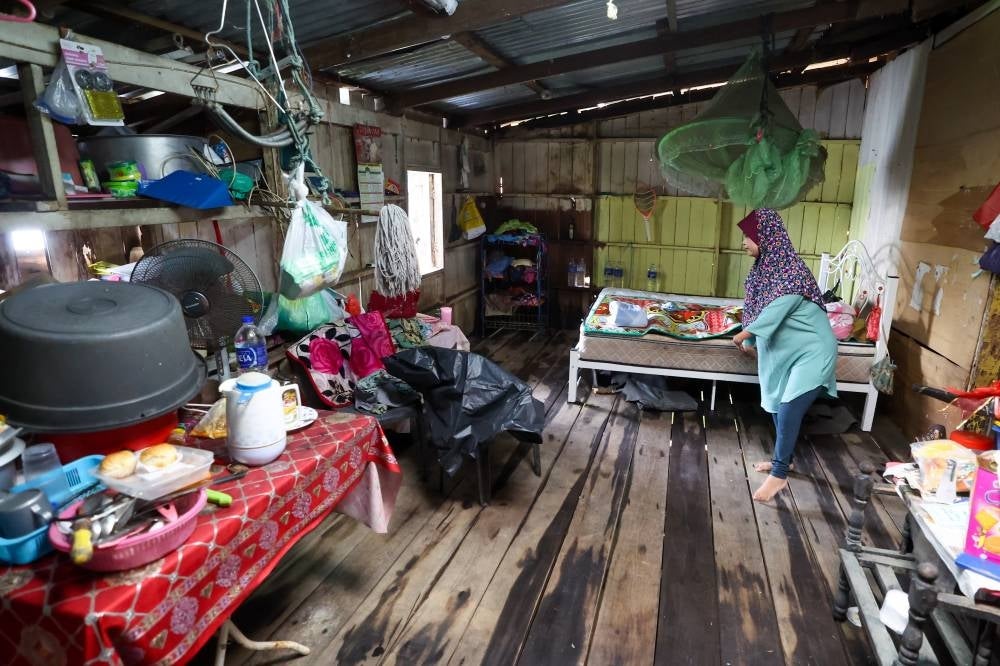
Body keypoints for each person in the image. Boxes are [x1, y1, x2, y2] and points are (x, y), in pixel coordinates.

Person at [731, 209, 837, 502]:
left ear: (767, 237)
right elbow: (761, 311)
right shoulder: (765, 271)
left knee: (789, 406)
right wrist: (750, 336)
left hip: (813, 352)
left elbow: (775, 311)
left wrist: (742, 335)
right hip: (790, 353)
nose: (744, 242)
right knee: (778, 404)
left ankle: (779, 476)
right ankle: (785, 460)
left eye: (749, 235)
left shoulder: (791, 273)